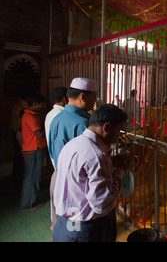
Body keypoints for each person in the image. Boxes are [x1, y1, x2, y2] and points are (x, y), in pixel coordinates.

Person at [52, 104, 130, 242]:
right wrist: (120, 170)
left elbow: (81, 175)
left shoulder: (73, 144)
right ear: (106, 127)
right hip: (86, 230)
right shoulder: (97, 155)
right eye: (119, 129)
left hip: (64, 224)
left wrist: (110, 161)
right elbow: (102, 203)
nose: (119, 134)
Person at [48, 77, 97, 171]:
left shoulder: (56, 119)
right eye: (94, 97)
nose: (95, 101)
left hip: (59, 174)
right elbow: (90, 159)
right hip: (77, 179)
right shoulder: (83, 123)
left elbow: (52, 152)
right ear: (82, 97)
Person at [44, 86, 68, 229]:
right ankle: (59, 228)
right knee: (63, 202)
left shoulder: (50, 114)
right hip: (61, 166)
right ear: (66, 99)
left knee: (57, 200)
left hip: (56, 164)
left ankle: (55, 224)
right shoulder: (61, 117)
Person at [19, 92, 47, 211]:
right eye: (41, 105)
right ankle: (29, 204)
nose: (42, 107)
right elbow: (39, 134)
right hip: (33, 149)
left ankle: (30, 202)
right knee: (33, 177)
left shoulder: (30, 115)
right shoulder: (30, 117)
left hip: (30, 149)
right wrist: (48, 126)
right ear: (35, 104)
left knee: (31, 177)